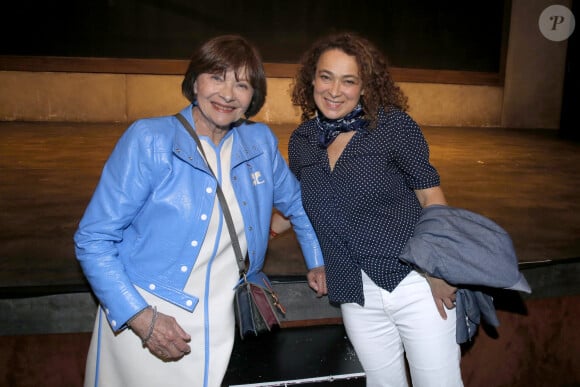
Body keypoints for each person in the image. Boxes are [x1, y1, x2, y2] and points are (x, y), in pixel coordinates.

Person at [74, 34, 326, 387]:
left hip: (222, 324)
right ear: (195, 82)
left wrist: (317, 259)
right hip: (146, 320)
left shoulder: (260, 143)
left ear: (253, 97)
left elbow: (299, 204)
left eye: (242, 84)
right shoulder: (149, 139)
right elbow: (93, 239)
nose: (227, 94)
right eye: (217, 77)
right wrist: (141, 317)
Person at [286, 32, 463, 386]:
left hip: (414, 284)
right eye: (326, 77)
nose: (335, 90)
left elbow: (432, 199)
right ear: (312, 79)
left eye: (348, 80)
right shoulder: (302, 141)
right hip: (354, 294)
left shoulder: (393, 127)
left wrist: (438, 267)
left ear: (365, 86)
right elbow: (299, 207)